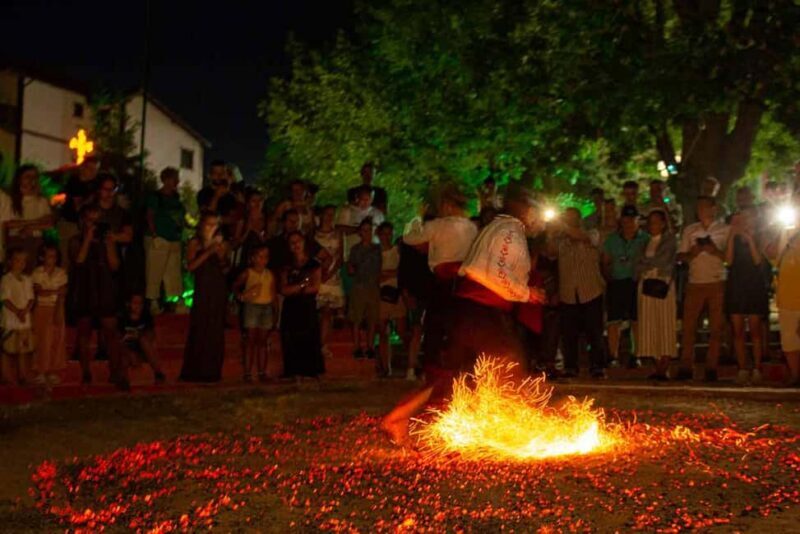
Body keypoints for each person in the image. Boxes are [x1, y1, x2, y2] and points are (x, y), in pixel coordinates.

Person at [381, 184, 545, 445]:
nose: (538, 219)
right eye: (535, 212)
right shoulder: (507, 231)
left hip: (471, 310)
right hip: (476, 312)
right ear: (523, 210)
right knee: (506, 361)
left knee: (455, 373)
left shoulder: (497, 229)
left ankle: (399, 418)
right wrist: (526, 293)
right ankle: (516, 426)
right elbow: (485, 272)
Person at [402, 184, 478, 363]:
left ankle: (433, 367)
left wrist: (417, 217)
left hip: (443, 282)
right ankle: (461, 366)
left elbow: (409, 237)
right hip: (464, 283)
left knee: (435, 327)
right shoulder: (471, 227)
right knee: (461, 328)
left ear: (448, 205)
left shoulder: (436, 225)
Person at [67, 204, 127, 388]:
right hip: (85, 286)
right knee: (84, 332)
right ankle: (86, 372)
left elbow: (115, 265)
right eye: (90, 220)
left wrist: (109, 243)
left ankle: (115, 371)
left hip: (104, 285)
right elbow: (78, 259)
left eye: (97, 220)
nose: (94, 223)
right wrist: (88, 238)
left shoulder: (106, 239)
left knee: (111, 331)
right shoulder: (76, 240)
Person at [549, 207, 607, 378]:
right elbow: (550, 252)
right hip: (568, 293)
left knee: (594, 332)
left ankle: (598, 366)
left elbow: (585, 238)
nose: (568, 221)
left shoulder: (592, 234)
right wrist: (552, 233)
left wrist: (562, 226)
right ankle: (571, 367)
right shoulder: (562, 242)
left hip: (591, 290)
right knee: (569, 334)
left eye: (571, 218)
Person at [677, 196, 730, 381]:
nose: (701, 211)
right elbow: (680, 257)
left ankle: (711, 366)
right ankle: (686, 365)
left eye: (705, 207)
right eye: (698, 208)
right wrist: (692, 253)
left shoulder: (725, 229)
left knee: (716, 327)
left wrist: (714, 250)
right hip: (695, 282)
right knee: (689, 325)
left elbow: (729, 257)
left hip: (717, 282)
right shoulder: (690, 230)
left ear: (714, 209)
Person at [180, 212, 229, 383]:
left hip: (217, 288)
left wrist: (221, 254)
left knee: (215, 329)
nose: (212, 228)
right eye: (209, 224)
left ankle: (212, 370)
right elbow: (191, 266)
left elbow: (225, 269)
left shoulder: (220, 243)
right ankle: (195, 370)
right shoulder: (195, 242)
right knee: (201, 326)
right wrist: (208, 251)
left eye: (215, 224)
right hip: (203, 288)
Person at [725, 207, 768, 385]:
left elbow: (758, 260)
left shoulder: (760, 235)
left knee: (755, 329)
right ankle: (742, 368)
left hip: (754, 286)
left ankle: (757, 368)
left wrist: (749, 238)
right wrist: (731, 235)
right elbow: (728, 260)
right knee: (738, 330)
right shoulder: (733, 237)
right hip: (736, 285)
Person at [602, 205, 649, 368]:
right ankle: (612, 355)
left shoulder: (646, 239)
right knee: (614, 321)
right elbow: (606, 261)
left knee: (637, 320)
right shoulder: (612, 239)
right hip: (617, 282)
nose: (629, 222)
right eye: (626, 218)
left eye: (633, 219)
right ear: (621, 220)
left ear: (638, 220)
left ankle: (636, 355)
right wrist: (609, 279)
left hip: (637, 282)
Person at [634, 210, 678, 380]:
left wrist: (646, 264)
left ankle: (664, 364)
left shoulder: (669, 240)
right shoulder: (643, 242)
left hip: (662, 283)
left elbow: (663, 260)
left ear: (663, 223)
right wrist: (647, 265)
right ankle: (655, 363)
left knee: (665, 322)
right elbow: (636, 264)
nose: (653, 225)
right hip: (645, 284)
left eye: (656, 222)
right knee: (648, 323)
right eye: (650, 222)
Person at [280, 231, 324, 379]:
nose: (296, 245)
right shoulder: (286, 266)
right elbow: (284, 289)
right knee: (291, 338)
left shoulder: (314, 264)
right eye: (292, 242)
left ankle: (310, 370)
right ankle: (293, 371)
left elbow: (315, 287)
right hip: (291, 307)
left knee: (308, 336)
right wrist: (301, 286)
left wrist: (298, 288)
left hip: (307, 306)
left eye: (298, 241)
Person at [234, 245, 277, 382]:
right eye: (260, 257)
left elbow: (273, 293)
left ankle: (262, 372)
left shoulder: (269, 274)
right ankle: (247, 373)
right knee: (250, 340)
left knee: (263, 341)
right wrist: (241, 295)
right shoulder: (248, 273)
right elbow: (235, 286)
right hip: (252, 307)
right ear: (253, 258)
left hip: (266, 307)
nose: (263, 260)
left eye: (266, 257)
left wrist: (275, 312)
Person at [766, 211, 800, 387]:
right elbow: (771, 254)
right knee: (789, 339)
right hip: (786, 296)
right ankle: (795, 375)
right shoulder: (785, 234)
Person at [145, 167, 186, 313]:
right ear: (166, 180)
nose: (177, 182)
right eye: (174, 178)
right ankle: (153, 301)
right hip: (159, 238)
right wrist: (154, 234)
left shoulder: (176, 198)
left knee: (173, 270)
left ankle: (175, 300)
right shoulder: (156, 197)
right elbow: (150, 215)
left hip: (174, 238)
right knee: (154, 270)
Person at [397, 236, 435, 381]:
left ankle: (424, 368)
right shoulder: (411, 258)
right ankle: (412, 367)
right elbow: (403, 279)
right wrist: (407, 297)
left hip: (430, 297)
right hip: (417, 298)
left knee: (427, 333)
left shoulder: (432, 256)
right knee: (416, 331)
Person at [3, 165, 54, 272]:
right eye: (28, 176)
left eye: (34, 177)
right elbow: (8, 223)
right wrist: (34, 222)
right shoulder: (10, 199)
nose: (31, 180)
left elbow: (49, 223)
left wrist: (30, 228)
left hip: (35, 242)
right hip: (15, 241)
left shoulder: (41, 200)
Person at [31, 244, 68, 385]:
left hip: (56, 308)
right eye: (49, 256)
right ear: (42, 257)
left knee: (56, 339)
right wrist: (56, 291)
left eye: (54, 256)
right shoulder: (37, 273)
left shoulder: (61, 273)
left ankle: (52, 369)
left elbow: (62, 293)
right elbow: (39, 291)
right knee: (42, 340)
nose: (53, 259)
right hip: (41, 308)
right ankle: (41, 370)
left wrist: (56, 296)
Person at [347, 219, 382, 359]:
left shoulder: (377, 249)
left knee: (372, 318)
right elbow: (351, 269)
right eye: (364, 230)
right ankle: (357, 346)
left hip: (373, 286)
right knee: (357, 318)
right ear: (360, 232)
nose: (367, 233)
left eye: (369, 230)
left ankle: (370, 346)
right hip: (359, 286)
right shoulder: (355, 249)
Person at [314, 205, 345, 358]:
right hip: (317, 275)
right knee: (317, 313)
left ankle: (323, 345)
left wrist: (330, 272)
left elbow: (340, 257)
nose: (329, 217)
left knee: (327, 312)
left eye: (332, 214)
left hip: (332, 277)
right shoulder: (313, 233)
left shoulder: (338, 234)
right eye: (327, 214)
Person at [58, 155, 99, 269]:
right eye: (90, 169)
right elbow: (77, 207)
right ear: (82, 168)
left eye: (95, 170)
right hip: (69, 225)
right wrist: (89, 199)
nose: (93, 172)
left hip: (82, 226)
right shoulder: (75, 183)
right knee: (67, 258)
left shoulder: (91, 185)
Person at [1, 248, 34, 384]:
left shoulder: (27, 279)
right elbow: (5, 299)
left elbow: (31, 298)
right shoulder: (6, 279)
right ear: (10, 262)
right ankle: (5, 376)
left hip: (24, 321)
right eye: (17, 260)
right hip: (10, 321)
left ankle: (22, 375)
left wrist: (25, 310)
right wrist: (17, 311)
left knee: (22, 349)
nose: (20, 263)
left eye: (23, 261)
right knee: (7, 350)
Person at [376, 222, 406, 375]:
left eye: (389, 233)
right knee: (383, 332)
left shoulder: (397, 251)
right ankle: (385, 367)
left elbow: (401, 271)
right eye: (384, 233)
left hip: (396, 293)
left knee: (402, 330)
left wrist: (386, 273)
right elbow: (375, 274)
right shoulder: (375, 253)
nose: (387, 236)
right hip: (381, 295)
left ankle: (411, 364)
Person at [120, 294, 166, 385]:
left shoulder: (146, 317)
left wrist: (140, 336)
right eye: (135, 303)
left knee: (144, 341)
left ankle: (158, 373)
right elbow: (119, 337)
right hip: (127, 347)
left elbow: (151, 335)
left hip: (142, 347)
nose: (138, 306)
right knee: (123, 351)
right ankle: (123, 379)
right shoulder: (123, 318)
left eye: (140, 303)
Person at [337, 185, 385, 258]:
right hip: (351, 254)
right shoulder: (347, 211)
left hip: (372, 256)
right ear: (357, 198)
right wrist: (358, 230)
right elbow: (339, 230)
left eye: (368, 199)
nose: (365, 202)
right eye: (363, 199)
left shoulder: (378, 214)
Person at [196, 160, 238, 237]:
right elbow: (206, 216)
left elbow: (233, 219)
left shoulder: (231, 196)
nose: (219, 176)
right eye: (215, 173)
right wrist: (216, 196)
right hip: (207, 238)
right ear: (210, 175)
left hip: (225, 238)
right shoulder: (203, 193)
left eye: (222, 173)